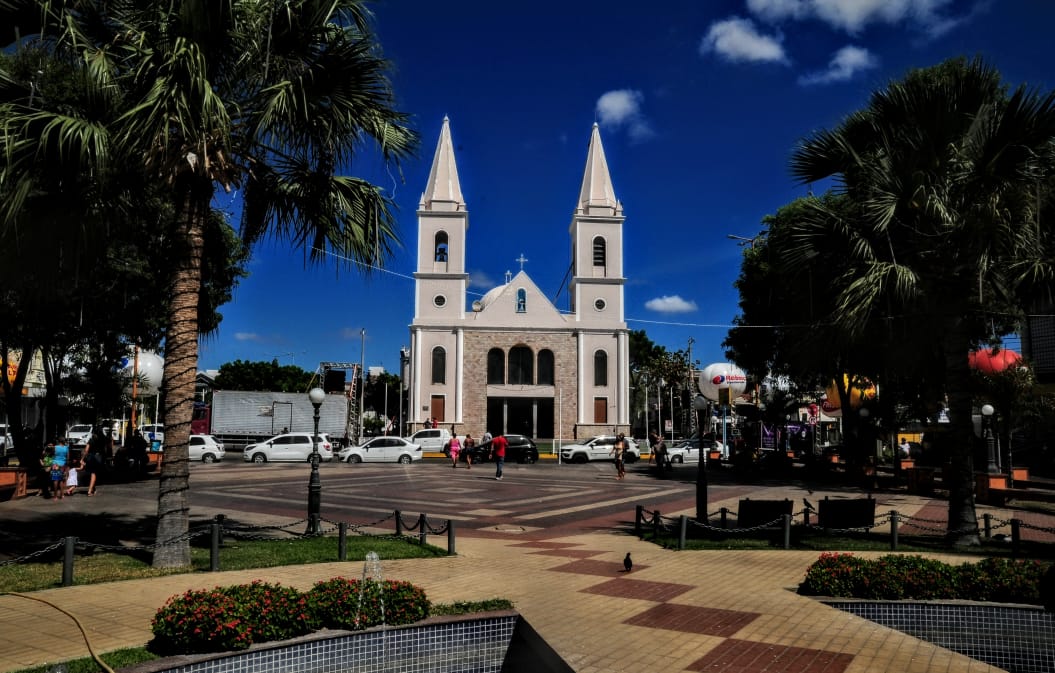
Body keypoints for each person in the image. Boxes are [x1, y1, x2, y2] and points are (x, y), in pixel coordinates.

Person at [83, 427, 106, 496]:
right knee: (94, 473)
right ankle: (92, 490)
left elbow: (86, 450)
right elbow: (105, 449)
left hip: (91, 457)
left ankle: (91, 490)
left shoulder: (91, 440)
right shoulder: (102, 440)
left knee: (92, 473)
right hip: (98, 458)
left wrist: (83, 458)